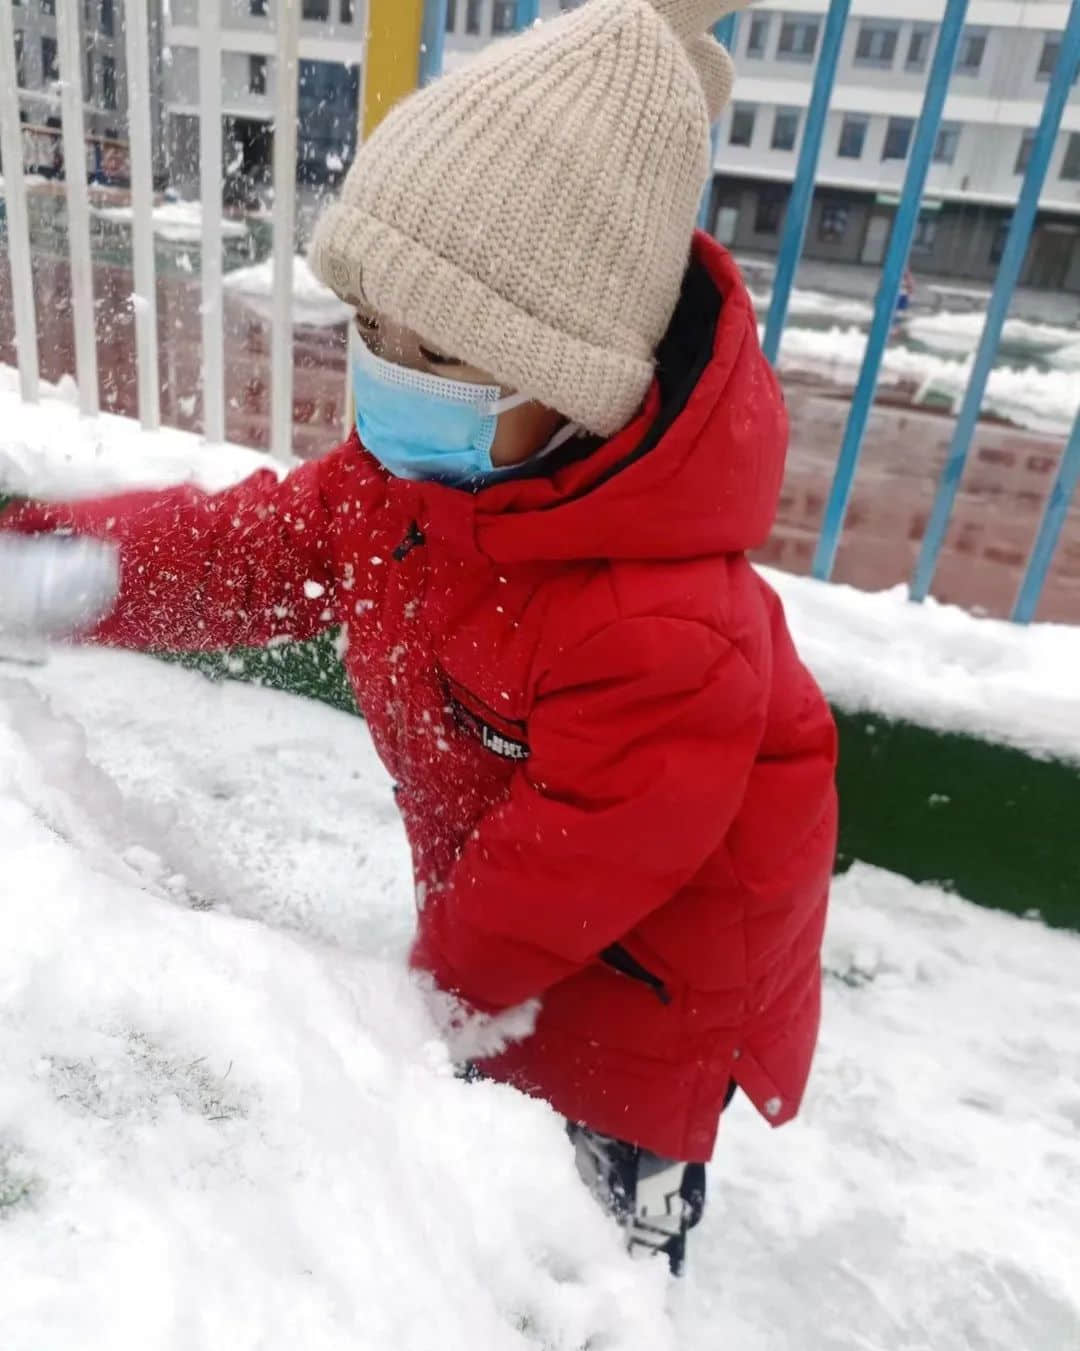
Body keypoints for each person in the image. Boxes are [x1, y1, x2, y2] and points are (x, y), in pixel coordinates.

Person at [0, 0, 837, 1276]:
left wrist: (422, 1004)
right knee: (477, 1138)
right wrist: (61, 566)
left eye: (439, 351)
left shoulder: (666, 626)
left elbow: (569, 864)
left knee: (578, 1242)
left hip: (649, 985)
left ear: (577, 372)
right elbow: (246, 551)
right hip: (514, 918)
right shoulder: (422, 484)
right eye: (374, 330)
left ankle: (617, 1322)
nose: (388, 374)